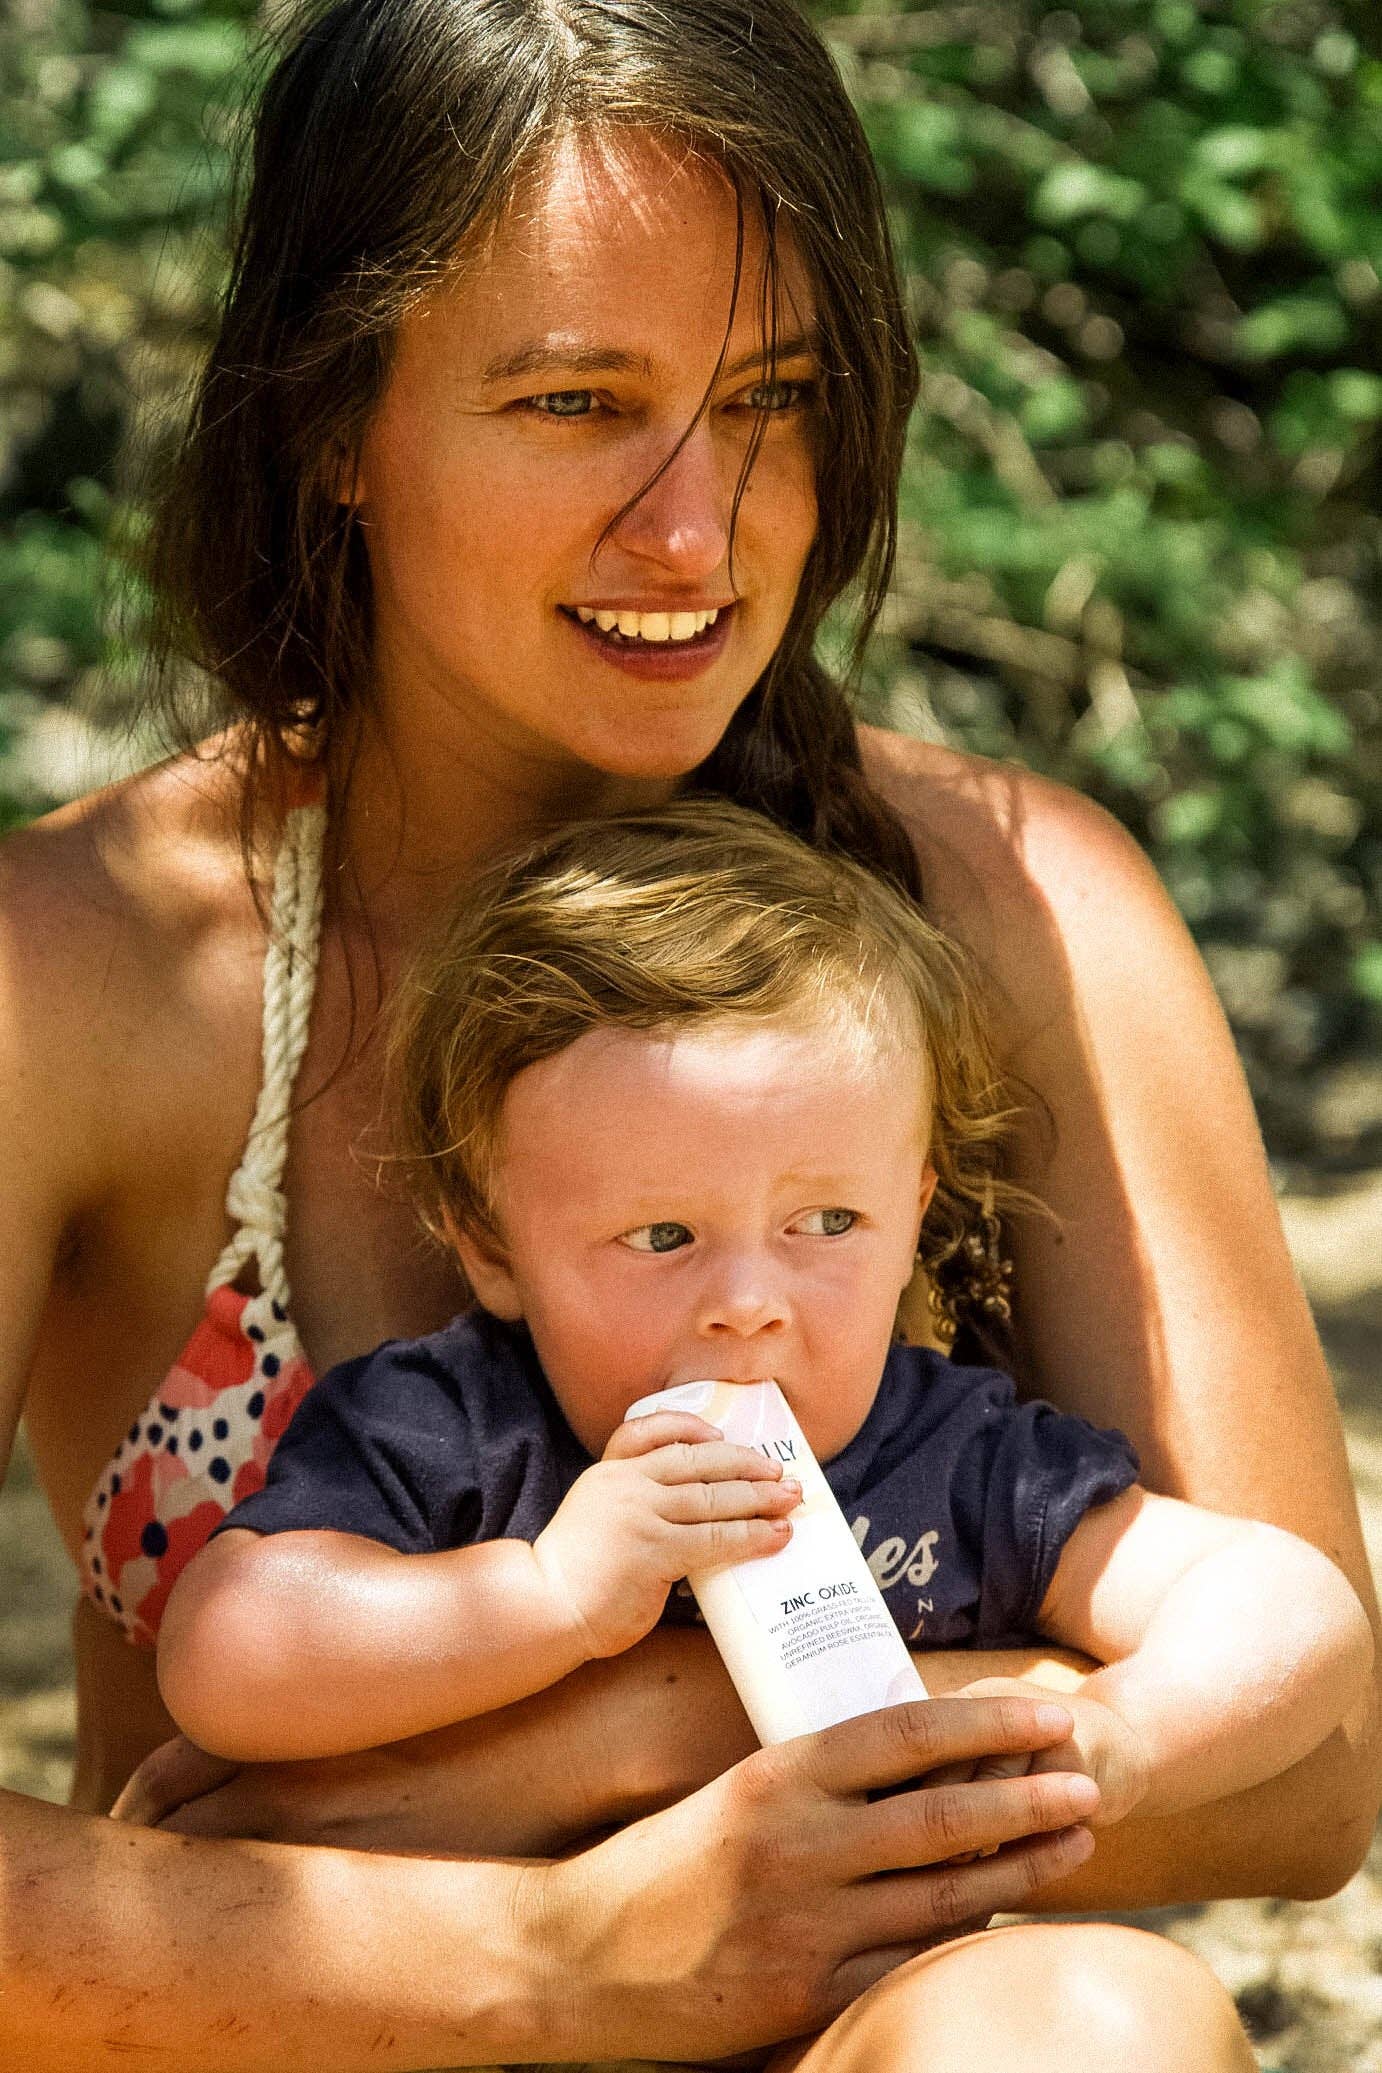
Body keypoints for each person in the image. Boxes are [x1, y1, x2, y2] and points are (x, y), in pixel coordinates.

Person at [0, 0, 1374, 2065]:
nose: (698, 531)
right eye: (574, 401)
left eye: (773, 399)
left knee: (1089, 2021)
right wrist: (549, 1951)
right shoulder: (81, 972)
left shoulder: (1013, 907)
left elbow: (1311, 1770)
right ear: (329, 421)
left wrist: (588, 1753)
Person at [155, 804, 1371, 1844]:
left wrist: (1120, 1734)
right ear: (489, 1246)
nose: (748, 1302)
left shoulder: (953, 1458)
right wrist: (548, 1593)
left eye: (827, 1223)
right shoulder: (454, 1433)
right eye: (661, 1236)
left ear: (912, 1214)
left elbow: (1286, 1606)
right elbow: (224, 1657)